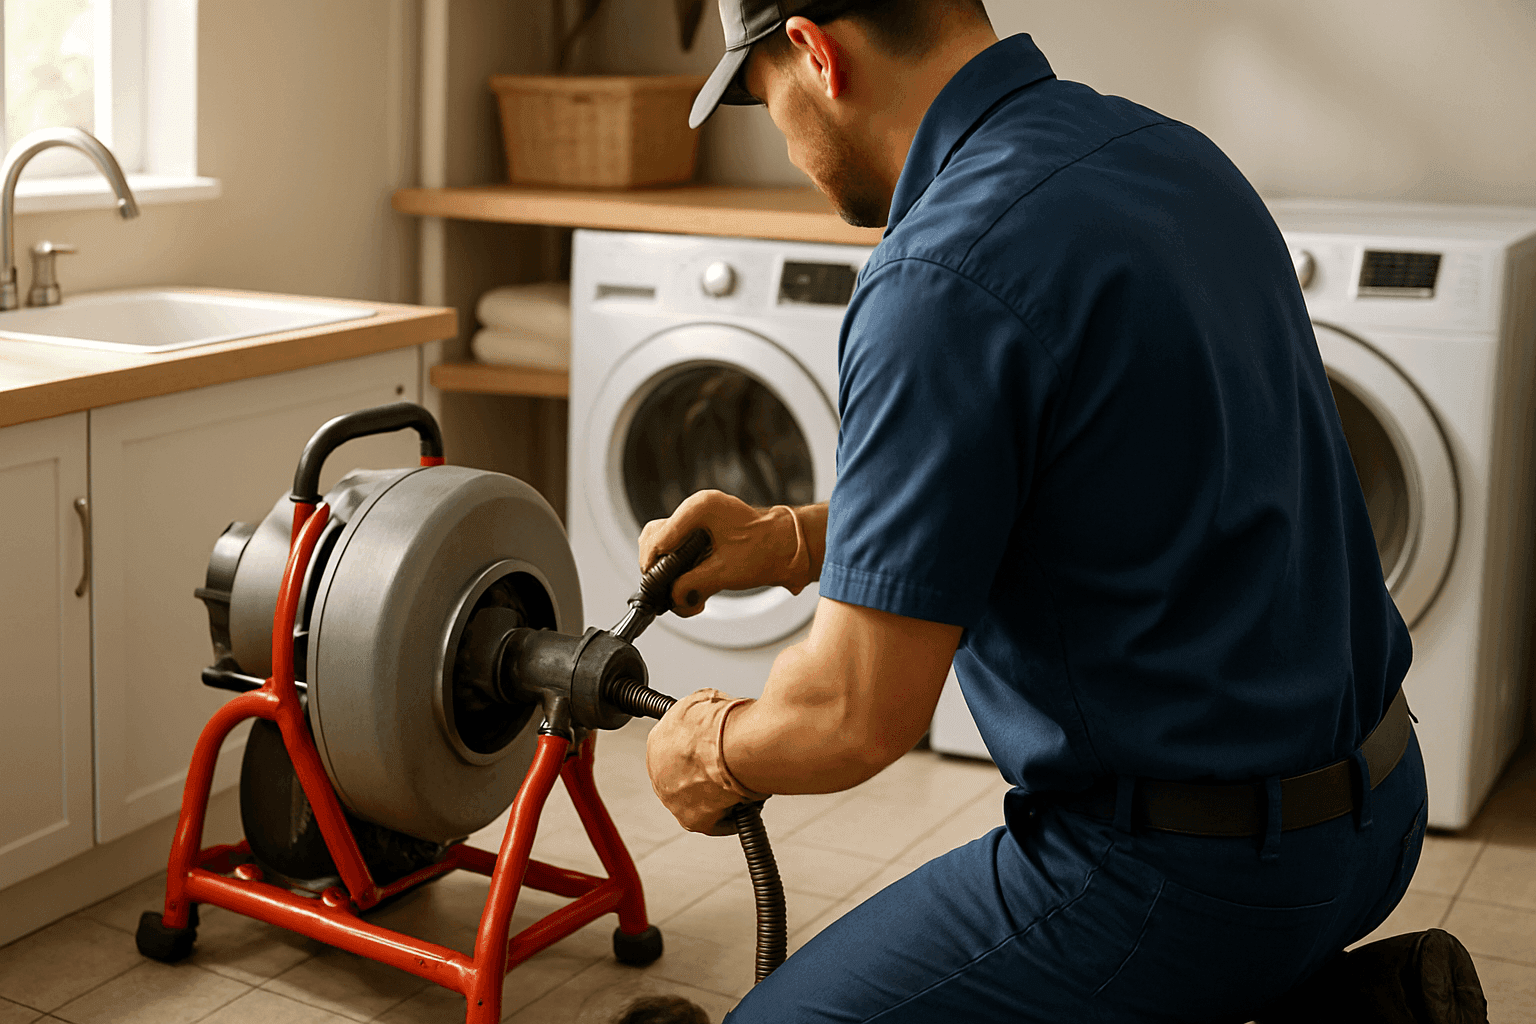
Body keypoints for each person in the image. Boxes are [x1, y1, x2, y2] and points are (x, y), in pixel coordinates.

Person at [640, 1, 1487, 1021]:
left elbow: (851, 716)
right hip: (1384, 803)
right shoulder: (1169, 156)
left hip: (1189, 874)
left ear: (817, 54)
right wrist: (788, 540)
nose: (782, 141)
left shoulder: (935, 274)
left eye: (766, 101)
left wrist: (711, 748)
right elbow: (1088, 482)